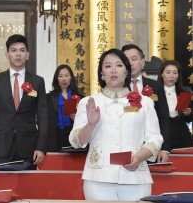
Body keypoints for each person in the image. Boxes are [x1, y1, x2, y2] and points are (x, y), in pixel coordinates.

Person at [69, 48, 163, 201]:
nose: (113, 70)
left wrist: (139, 157)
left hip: (135, 179)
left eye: (119, 65)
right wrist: (90, 125)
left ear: (126, 71)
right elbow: (76, 141)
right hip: (98, 179)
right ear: (101, 73)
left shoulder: (144, 102)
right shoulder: (89, 102)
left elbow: (155, 139)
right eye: (107, 66)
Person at [0, 34, 48, 169]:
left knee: (27, 188)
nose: (18, 54)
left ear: (27, 54)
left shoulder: (37, 81)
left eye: (22, 50)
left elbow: (43, 117)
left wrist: (41, 147)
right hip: (1, 144)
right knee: (1, 185)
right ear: (7, 54)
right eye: (14, 50)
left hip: (28, 146)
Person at [122, 44, 171, 163]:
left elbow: (163, 117)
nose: (131, 63)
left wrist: (164, 148)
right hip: (125, 148)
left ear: (142, 62)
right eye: (126, 60)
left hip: (152, 149)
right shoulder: (117, 88)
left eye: (134, 59)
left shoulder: (156, 86)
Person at [46, 64, 84, 152]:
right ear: (57, 79)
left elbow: (86, 121)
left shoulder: (81, 98)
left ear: (71, 78)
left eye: (67, 76)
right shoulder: (48, 98)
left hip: (74, 137)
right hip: (55, 138)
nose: (64, 79)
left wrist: (77, 119)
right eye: (60, 76)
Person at [157, 60, 193, 148]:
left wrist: (189, 113)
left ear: (178, 76)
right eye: (168, 72)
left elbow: (189, 119)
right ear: (162, 74)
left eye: (175, 73)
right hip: (162, 134)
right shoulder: (155, 92)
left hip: (181, 135)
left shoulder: (184, 92)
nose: (171, 76)